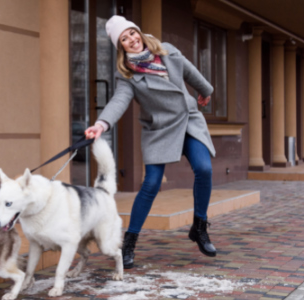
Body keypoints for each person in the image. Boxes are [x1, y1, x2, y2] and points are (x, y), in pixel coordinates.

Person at [85, 15, 217, 268]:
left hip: (188, 119)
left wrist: (206, 91)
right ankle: (130, 241)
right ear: (121, 46)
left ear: (139, 33)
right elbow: (119, 101)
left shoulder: (167, 51)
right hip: (159, 128)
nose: (131, 40)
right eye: (124, 39)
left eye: (132, 33)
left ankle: (199, 227)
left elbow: (191, 72)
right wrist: (102, 123)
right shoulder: (128, 75)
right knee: (151, 184)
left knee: (204, 169)